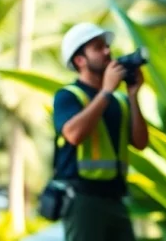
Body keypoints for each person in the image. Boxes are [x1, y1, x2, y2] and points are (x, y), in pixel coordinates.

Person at [51, 22, 149, 241]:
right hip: (83, 200)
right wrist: (106, 91)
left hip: (116, 198)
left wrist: (133, 95)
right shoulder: (68, 96)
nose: (107, 51)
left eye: (106, 46)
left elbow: (141, 142)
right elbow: (73, 135)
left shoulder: (119, 101)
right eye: (98, 47)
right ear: (80, 60)